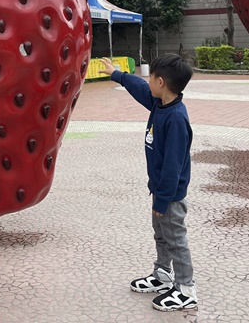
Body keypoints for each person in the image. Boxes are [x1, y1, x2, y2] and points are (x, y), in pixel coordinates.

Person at [101, 54, 197, 312]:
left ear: (161, 82)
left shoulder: (176, 118)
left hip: (171, 194)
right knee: (161, 234)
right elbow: (140, 88)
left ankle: (186, 288)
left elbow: (173, 165)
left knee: (175, 238)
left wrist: (164, 198)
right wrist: (117, 75)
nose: (148, 82)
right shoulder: (160, 103)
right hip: (160, 190)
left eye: (151, 77)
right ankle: (163, 274)